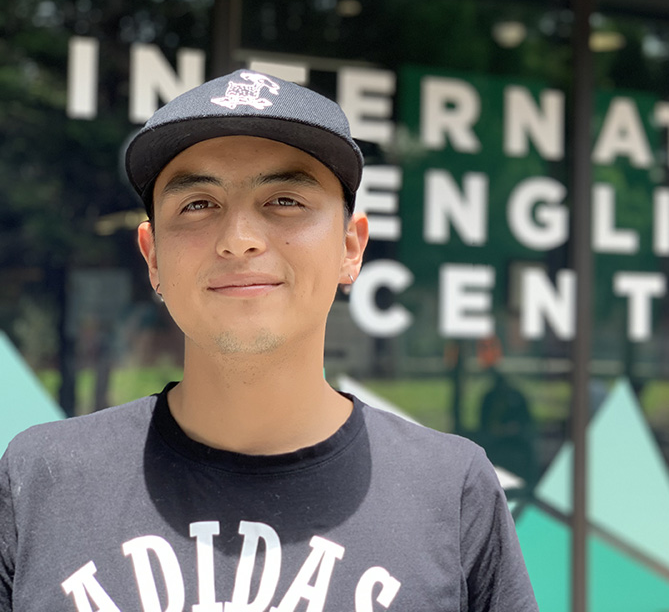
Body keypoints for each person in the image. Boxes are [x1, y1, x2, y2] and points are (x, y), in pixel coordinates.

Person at [0, 70, 539, 612]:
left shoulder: (450, 490)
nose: (239, 241)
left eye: (284, 200)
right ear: (154, 256)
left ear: (351, 248)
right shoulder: (42, 482)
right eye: (198, 205)